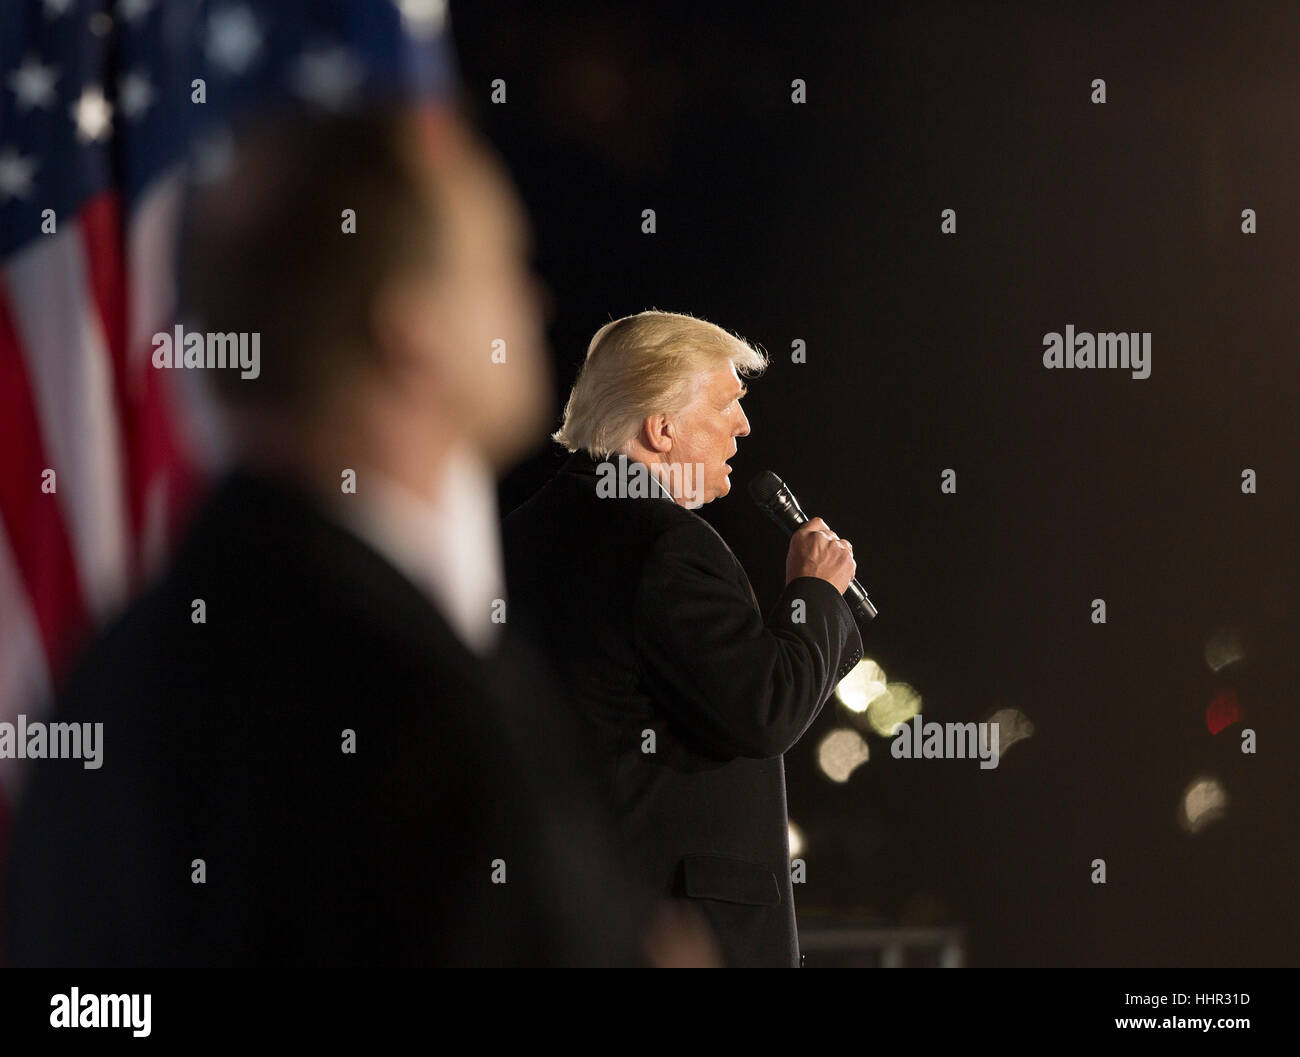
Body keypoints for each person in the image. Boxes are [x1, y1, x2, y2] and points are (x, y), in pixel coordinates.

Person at [5, 106, 649, 966]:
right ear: (411, 333)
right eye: (502, 266)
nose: (536, 300)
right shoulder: (406, 704)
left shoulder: (119, 667)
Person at [502, 310, 864, 967]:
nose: (744, 425)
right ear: (660, 425)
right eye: (727, 402)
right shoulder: (664, 542)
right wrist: (816, 594)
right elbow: (764, 708)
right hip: (679, 933)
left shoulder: (517, 536)